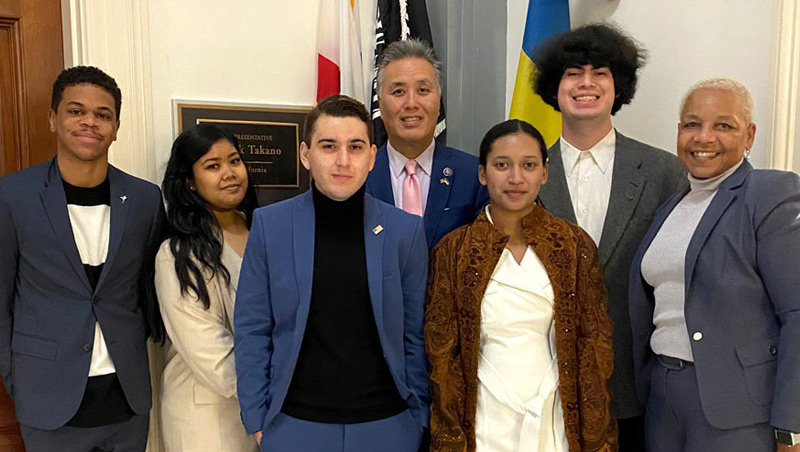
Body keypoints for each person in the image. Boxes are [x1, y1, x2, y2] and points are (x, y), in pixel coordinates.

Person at [234, 94, 429, 452]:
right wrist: (257, 418)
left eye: (355, 147)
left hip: (388, 424)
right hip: (294, 425)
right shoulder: (270, 225)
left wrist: (418, 418)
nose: (342, 161)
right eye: (329, 146)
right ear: (306, 154)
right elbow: (252, 328)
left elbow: (414, 334)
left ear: (372, 157)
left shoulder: (405, 231)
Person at [533, 23, 686, 450]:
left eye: (599, 72)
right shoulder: (523, 174)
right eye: (572, 72)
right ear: (554, 87)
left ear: (618, 85)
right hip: (545, 384)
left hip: (635, 387)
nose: (586, 83)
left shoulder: (664, 172)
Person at [628, 78, 800, 452]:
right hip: (663, 399)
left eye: (723, 125)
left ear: (749, 134)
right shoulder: (671, 206)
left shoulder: (769, 194)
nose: (704, 137)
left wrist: (792, 425)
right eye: (692, 124)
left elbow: (797, 313)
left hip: (737, 408)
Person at [426, 119, 616, 452]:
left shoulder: (574, 246)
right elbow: (442, 356)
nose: (516, 178)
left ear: (544, 172)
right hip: (484, 413)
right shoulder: (454, 251)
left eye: (528, 165)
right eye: (502, 165)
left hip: (555, 409)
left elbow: (595, 347)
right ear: (483, 173)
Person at [0, 66, 164, 452]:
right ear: (53, 118)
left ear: (116, 126)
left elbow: (147, 293)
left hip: (127, 401)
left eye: (103, 114)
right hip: (47, 401)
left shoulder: (145, 200)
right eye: (76, 111)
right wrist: (16, 378)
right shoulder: (12, 196)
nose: (90, 121)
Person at [154, 124, 259, 452]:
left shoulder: (264, 230)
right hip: (207, 419)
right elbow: (209, 350)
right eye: (212, 166)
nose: (229, 173)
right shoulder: (176, 254)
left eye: (234, 161)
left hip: (263, 407)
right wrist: (272, 390)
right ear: (189, 181)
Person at [366, 38, 488, 248]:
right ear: (381, 105)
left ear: (438, 101)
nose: (411, 103)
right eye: (398, 92)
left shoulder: (474, 175)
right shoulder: (358, 175)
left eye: (423, 90)